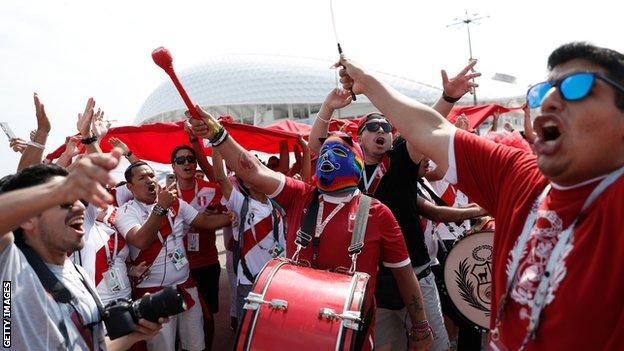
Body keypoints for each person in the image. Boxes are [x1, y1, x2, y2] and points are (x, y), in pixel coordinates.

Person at [335, 42, 624, 350]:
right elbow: (430, 128)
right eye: (544, 91)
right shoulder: (517, 175)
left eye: (577, 86)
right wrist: (365, 81)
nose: (550, 100)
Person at [188, 107, 434, 350]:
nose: (327, 157)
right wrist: (217, 134)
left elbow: (404, 274)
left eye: (337, 151)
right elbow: (253, 170)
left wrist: (420, 325)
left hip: (350, 336)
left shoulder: (378, 213)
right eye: (324, 152)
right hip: (296, 331)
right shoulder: (299, 196)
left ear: (357, 163)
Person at [309, 64, 481, 351]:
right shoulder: (347, 170)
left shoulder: (402, 157)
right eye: (372, 127)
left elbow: (425, 126)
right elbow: (318, 146)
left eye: (386, 127)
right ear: (360, 138)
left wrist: (449, 98)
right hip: (372, 283)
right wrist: (328, 105)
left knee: (435, 346)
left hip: (417, 273)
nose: (381, 131)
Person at [0, 152, 166, 351]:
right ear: (27, 218)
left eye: (80, 200)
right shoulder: (13, 276)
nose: (79, 207)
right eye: (65, 200)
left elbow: (93, 346)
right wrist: (41, 138)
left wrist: (135, 334)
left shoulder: (79, 273)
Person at [114, 161, 233, 351]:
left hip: (185, 286)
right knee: (163, 347)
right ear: (130, 186)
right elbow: (141, 240)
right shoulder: (125, 211)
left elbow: (203, 221)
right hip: (153, 294)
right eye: (142, 178)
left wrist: (232, 217)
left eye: (151, 176)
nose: (149, 181)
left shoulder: (175, 203)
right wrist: (160, 208)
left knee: (196, 344)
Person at [212, 149, 287, 322]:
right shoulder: (239, 203)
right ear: (247, 182)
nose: (260, 176)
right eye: (253, 173)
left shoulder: (277, 203)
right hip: (249, 282)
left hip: (276, 281)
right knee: (247, 332)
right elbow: (221, 177)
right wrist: (216, 146)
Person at [170, 144, 224, 350]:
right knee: (177, 317)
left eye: (190, 159)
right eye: (181, 160)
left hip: (207, 263)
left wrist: (214, 218)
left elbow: (232, 216)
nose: (187, 163)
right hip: (177, 268)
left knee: (207, 316)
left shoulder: (212, 189)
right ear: (173, 167)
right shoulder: (167, 194)